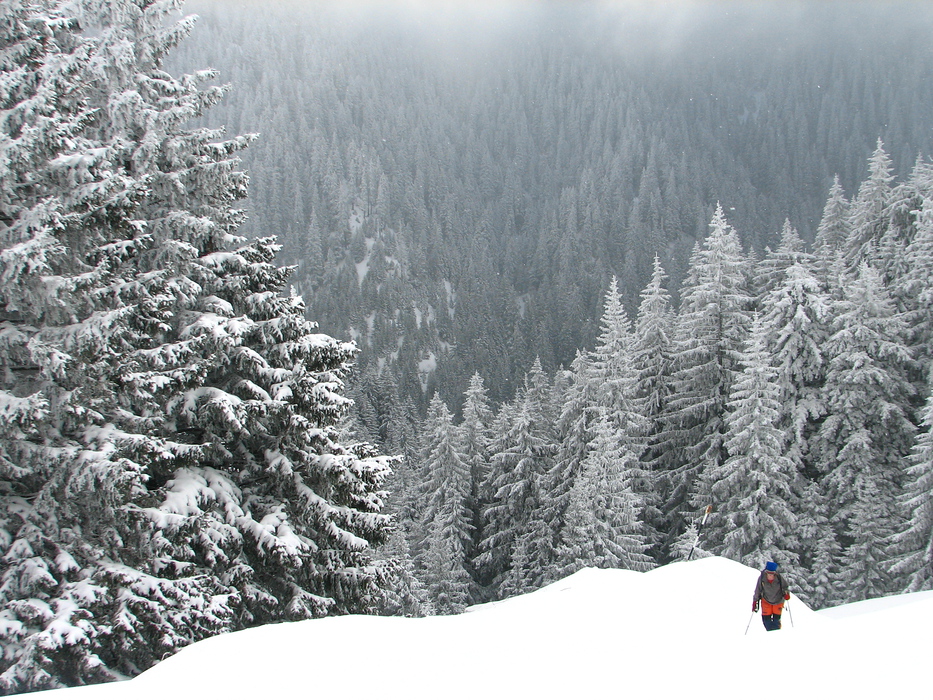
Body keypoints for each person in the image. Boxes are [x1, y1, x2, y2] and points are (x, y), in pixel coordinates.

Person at [752, 561, 791, 631]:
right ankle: (770, 634)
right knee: (766, 621)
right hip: (766, 601)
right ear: (766, 572)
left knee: (776, 621)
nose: (770, 575)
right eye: (768, 573)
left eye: (772, 573)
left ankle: (776, 635)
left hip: (778, 601)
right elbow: (758, 590)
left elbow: (785, 587)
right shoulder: (761, 579)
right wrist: (755, 601)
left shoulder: (779, 578)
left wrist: (786, 594)